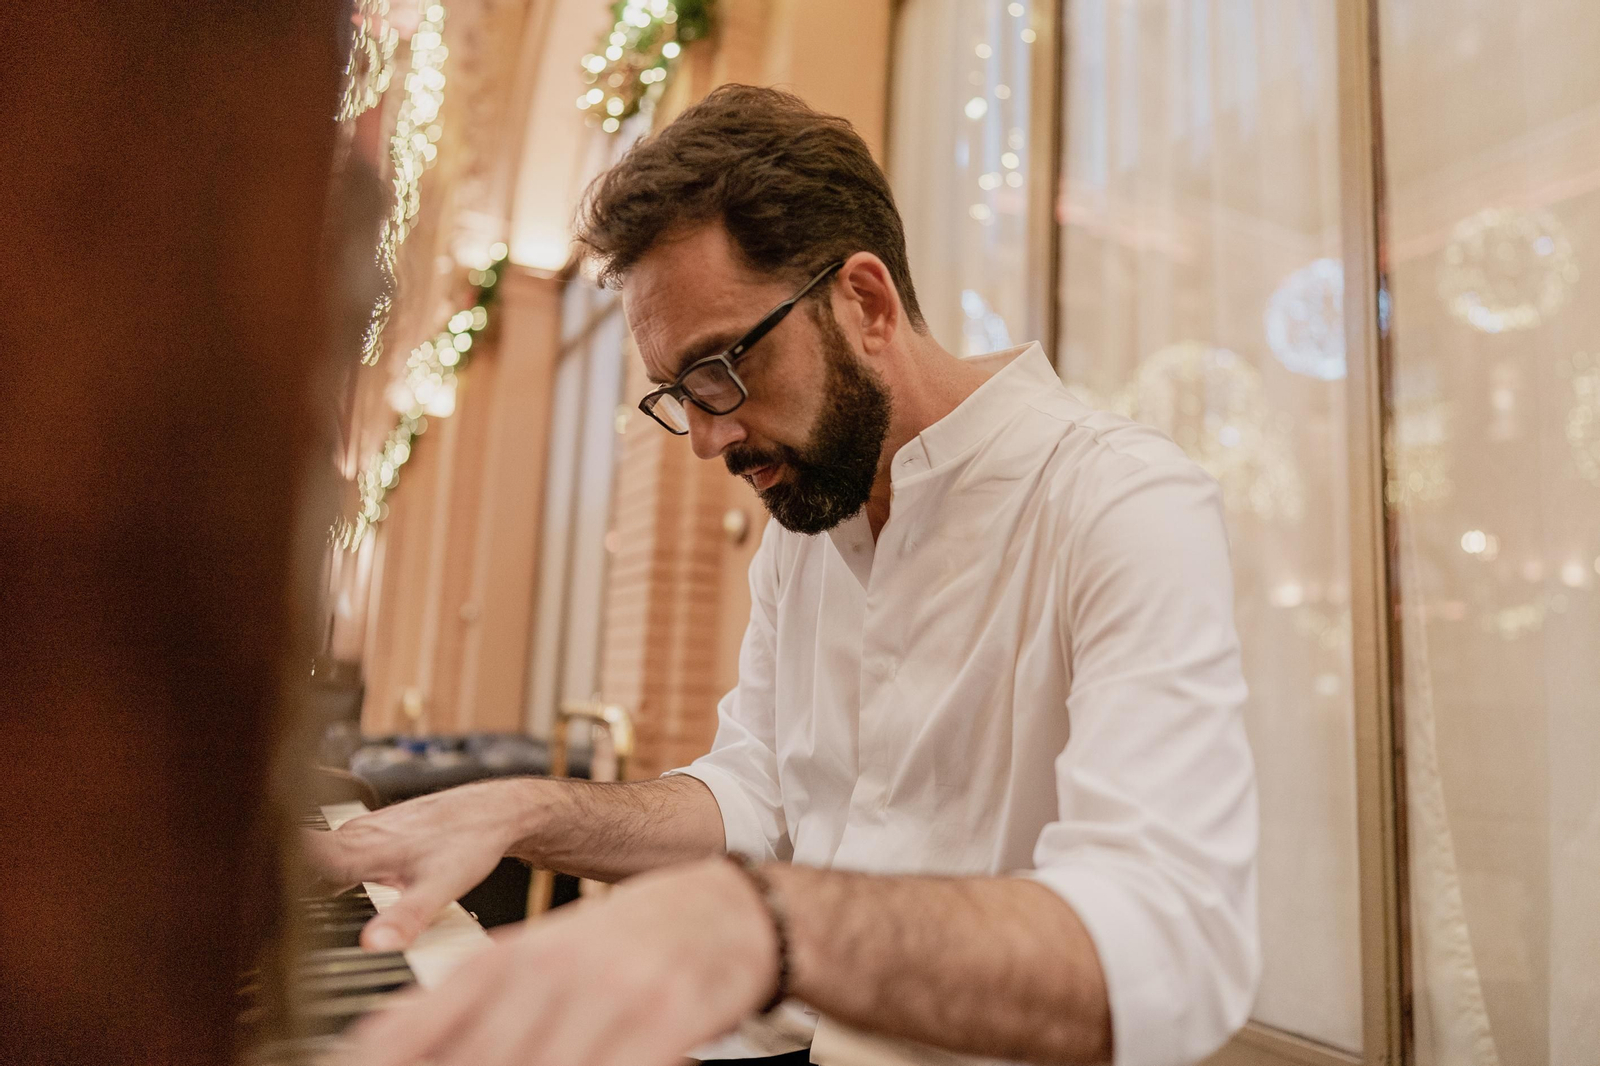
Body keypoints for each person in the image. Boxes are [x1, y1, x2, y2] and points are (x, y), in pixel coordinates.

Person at [310, 84, 1259, 1066]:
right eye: (681, 394)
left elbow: (1170, 943)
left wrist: (753, 923)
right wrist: (523, 808)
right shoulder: (806, 527)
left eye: (721, 368)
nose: (709, 436)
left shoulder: (1121, 501)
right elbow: (756, 793)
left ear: (864, 302)